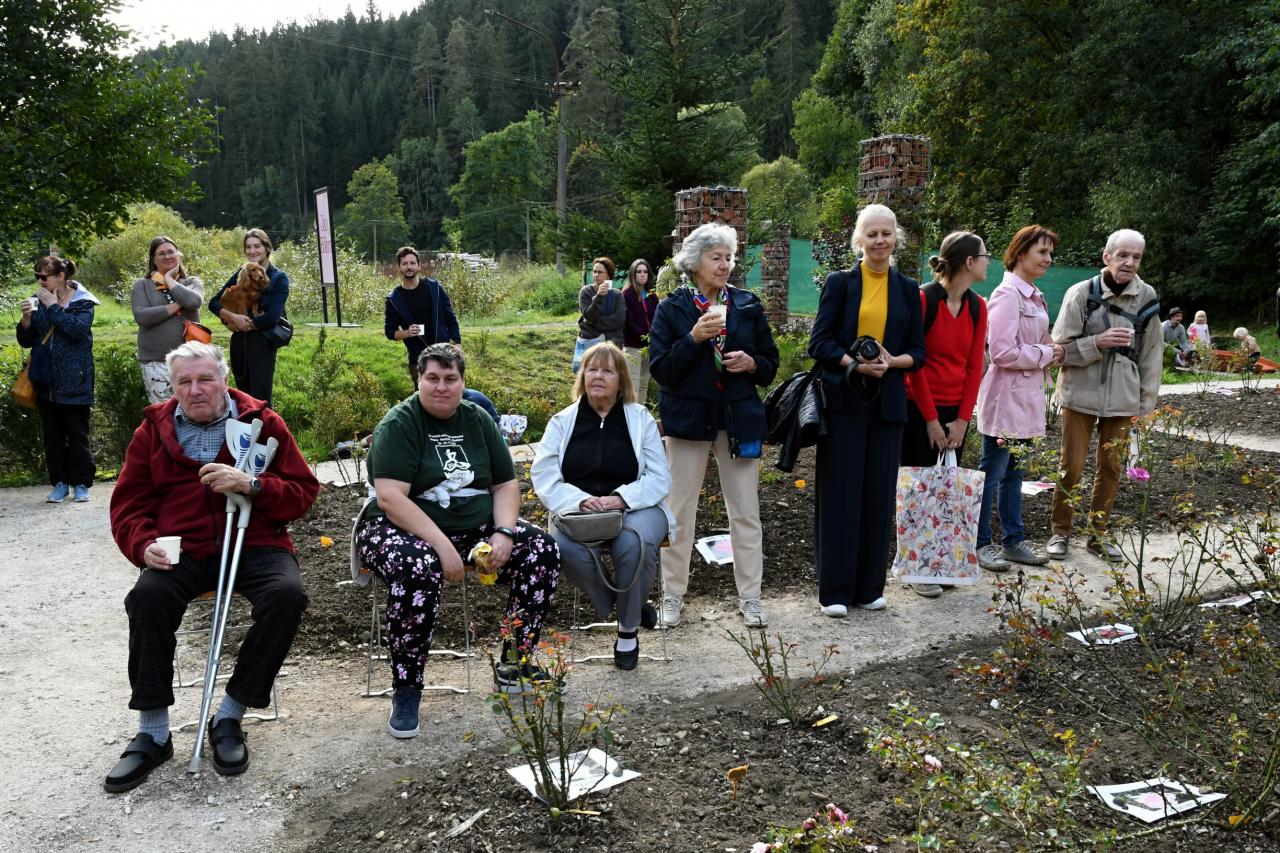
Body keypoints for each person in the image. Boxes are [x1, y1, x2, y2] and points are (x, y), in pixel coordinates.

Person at [105, 342, 319, 792]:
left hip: (254, 541)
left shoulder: (263, 423)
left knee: (287, 596)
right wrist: (143, 545)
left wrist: (254, 484)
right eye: (184, 381)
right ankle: (153, 733)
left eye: (205, 379)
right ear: (173, 386)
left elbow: (302, 491)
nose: (195, 389)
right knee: (147, 598)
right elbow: (128, 505)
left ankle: (229, 717)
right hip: (183, 548)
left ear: (224, 380)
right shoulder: (152, 431)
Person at [353, 344, 560, 738]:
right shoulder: (399, 424)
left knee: (541, 550)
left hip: (473, 526)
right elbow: (391, 499)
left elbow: (505, 484)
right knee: (417, 567)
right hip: (399, 527)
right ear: (418, 380)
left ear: (463, 383)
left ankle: (515, 663)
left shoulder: (477, 419)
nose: (442, 387)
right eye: (432, 378)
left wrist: (504, 532)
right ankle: (407, 688)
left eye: (451, 379)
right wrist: (443, 548)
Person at [649, 223, 780, 628]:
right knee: (678, 512)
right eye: (716, 258)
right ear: (695, 262)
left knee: (745, 512)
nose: (725, 265)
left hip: (739, 420)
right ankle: (672, 595)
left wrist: (752, 363)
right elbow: (661, 371)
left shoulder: (747, 305)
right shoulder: (672, 309)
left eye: (729, 257)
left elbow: (770, 364)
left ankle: (751, 598)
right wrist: (692, 339)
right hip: (688, 423)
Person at [808, 204, 925, 615]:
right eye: (872, 234)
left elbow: (918, 352)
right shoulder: (840, 284)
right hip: (844, 403)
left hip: (888, 406)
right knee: (840, 495)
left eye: (886, 234)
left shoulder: (908, 289)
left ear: (896, 238)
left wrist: (891, 363)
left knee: (878, 496)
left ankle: (869, 588)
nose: (879, 241)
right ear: (859, 239)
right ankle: (835, 592)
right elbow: (819, 342)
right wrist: (855, 364)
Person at [532, 342, 673, 669]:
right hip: (576, 511)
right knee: (563, 548)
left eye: (607, 370)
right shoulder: (562, 421)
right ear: (582, 376)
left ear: (621, 379)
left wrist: (622, 498)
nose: (598, 376)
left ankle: (627, 632)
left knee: (635, 544)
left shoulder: (640, 419)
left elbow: (659, 476)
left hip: (636, 507)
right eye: (592, 369)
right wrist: (579, 500)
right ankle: (627, 604)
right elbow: (543, 473)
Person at [1047, 229, 1162, 563]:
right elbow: (1058, 350)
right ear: (1106, 256)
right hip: (1079, 392)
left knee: (1112, 467)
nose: (1129, 262)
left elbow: (1152, 354)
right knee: (1071, 466)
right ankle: (1060, 532)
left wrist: (1145, 403)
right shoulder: (1081, 293)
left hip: (1123, 397)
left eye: (1136, 257)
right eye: (1123, 255)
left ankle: (1098, 536)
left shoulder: (1147, 297)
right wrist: (1097, 342)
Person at [901, 231, 990, 598]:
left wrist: (963, 420)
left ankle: (942, 563)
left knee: (946, 490)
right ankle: (916, 569)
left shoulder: (978, 306)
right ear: (968, 262)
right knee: (919, 488)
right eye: (984, 256)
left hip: (956, 413)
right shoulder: (924, 299)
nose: (988, 262)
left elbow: (974, 366)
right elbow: (915, 364)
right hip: (919, 409)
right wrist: (930, 419)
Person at [974, 226, 1065, 572]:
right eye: (1042, 252)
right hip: (1005, 398)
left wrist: (1052, 349)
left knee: (1015, 473)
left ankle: (1013, 541)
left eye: (1050, 253)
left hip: (1026, 398)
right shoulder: (1007, 295)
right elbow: (1001, 352)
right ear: (1021, 252)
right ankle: (981, 543)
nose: (1048, 259)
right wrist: (1046, 352)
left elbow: (1035, 341)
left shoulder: (1033, 295)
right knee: (993, 473)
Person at [16, 255, 100, 503]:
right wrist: (26, 320)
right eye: (37, 277)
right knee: (52, 436)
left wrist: (53, 306)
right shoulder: (37, 300)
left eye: (43, 277)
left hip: (77, 379)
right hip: (47, 380)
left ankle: (81, 483)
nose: (39, 282)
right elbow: (26, 341)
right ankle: (60, 483)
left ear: (60, 276)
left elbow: (77, 330)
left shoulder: (84, 301)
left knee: (77, 434)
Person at [208, 228, 290, 405]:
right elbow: (213, 303)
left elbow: (272, 317)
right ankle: (244, 425)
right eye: (248, 247)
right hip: (238, 342)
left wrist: (246, 323)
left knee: (260, 400)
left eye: (257, 246)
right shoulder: (243, 272)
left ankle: (264, 425)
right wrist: (231, 317)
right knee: (242, 400)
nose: (252, 251)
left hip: (262, 343)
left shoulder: (278, 278)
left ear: (267, 248)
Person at [131, 236, 205, 403]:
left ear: (179, 255)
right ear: (153, 259)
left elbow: (193, 302)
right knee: (163, 412)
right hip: (156, 363)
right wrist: (178, 304)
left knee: (192, 409)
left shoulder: (191, 281)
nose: (167, 256)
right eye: (161, 253)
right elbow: (143, 317)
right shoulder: (142, 285)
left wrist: (170, 280)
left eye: (171, 252)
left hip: (190, 361)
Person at [384, 246, 461, 385]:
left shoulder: (435, 288)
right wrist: (407, 333)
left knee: (448, 392)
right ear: (399, 267)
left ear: (419, 266)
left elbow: (450, 317)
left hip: (443, 352)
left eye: (412, 263)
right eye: (405, 263)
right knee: (422, 396)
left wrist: (457, 343)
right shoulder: (394, 299)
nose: (409, 267)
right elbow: (390, 332)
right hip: (418, 359)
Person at [575, 256, 625, 371]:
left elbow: (619, 320)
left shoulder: (617, 295)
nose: (596, 275)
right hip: (591, 345)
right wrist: (599, 297)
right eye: (594, 271)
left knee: (611, 376)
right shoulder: (586, 292)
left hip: (613, 346)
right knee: (588, 375)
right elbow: (589, 315)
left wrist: (592, 323)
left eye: (600, 272)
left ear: (608, 275)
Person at [622, 259, 659, 403]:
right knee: (633, 385)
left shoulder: (652, 295)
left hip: (649, 347)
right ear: (633, 274)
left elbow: (658, 318)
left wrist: (653, 338)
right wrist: (645, 337)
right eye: (639, 272)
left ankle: (640, 413)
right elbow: (628, 322)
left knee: (644, 385)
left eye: (645, 272)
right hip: (633, 346)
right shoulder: (626, 294)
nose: (642, 274)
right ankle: (630, 415)